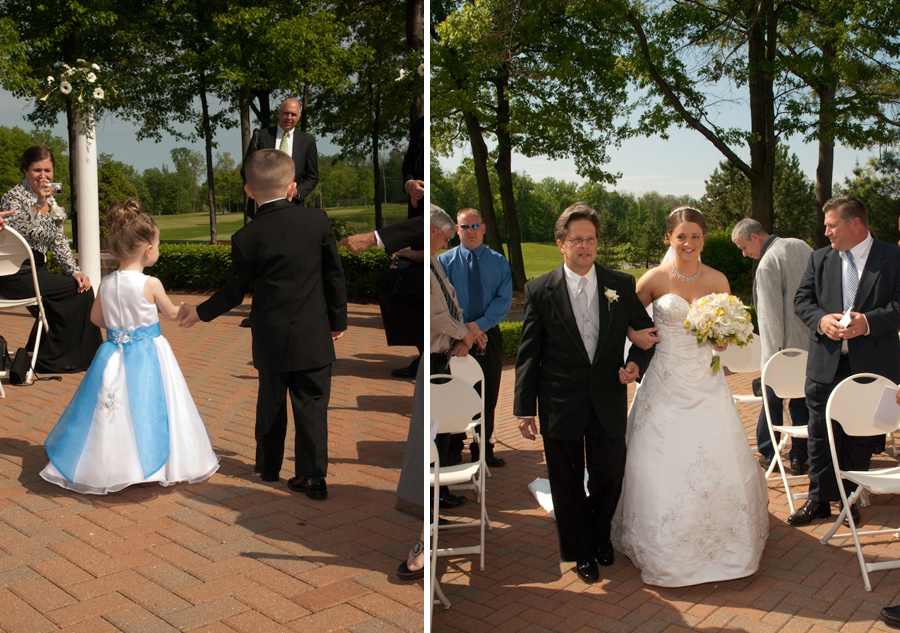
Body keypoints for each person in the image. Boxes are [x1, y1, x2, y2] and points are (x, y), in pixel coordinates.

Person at [611, 206, 768, 587]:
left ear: (704, 238)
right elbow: (624, 315)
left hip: (706, 380)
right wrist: (634, 340)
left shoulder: (717, 278)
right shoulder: (654, 278)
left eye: (695, 236)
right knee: (656, 457)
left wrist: (721, 337)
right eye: (681, 236)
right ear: (669, 238)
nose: (688, 243)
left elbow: (727, 336)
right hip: (664, 379)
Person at [181, 149, 347, 500]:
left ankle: (268, 467)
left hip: (271, 335)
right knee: (313, 405)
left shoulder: (247, 236)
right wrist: (338, 319)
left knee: (270, 401)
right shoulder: (317, 221)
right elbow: (334, 275)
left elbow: (233, 293)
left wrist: (199, 312)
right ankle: (313, 477)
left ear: (249, 190)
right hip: (314, 332)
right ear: (292, 187)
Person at [514, 202, 656, 584]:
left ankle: (599, 536)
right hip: (559, 401)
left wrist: (635, 365)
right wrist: (524, 408)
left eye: (590, 239)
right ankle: (580, 552)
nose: (585, 246)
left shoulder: (620, 285)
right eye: (576, 239)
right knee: (567, 480)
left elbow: (647, 337)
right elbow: (529, 353)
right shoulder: (540, 290)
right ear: (561, 243)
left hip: (608, 397)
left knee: (610, 474)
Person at [39, 199, 220, 494]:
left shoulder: (107, 282)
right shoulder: (150, 283)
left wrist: (117, 326)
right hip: (150, 353)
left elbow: (96, 318)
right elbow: (172, 314)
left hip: (113, 354)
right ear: (147, 250)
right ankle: (158, 462)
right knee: (150, 404)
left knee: (110, 408)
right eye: (157, 245)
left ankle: (108, 462)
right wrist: (186, 311)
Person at [789, 195, 900, 526]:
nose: (826, 232)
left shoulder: (893, 257)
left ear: (855, 224)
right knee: (821, 432)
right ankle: (819, 500)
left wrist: (868, 323)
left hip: (872, 365)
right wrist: (822, 321)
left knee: (859, 437)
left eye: (832, 224)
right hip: (825, 362)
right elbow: (802, 300)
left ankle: (850, 499)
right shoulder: (820, 258)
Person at [0, 146, 102, 373]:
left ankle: (66, 356)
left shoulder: (52, 202)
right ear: (25, 170)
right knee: (73, 294)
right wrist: (37, 203)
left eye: (48, 170)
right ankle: (50, 359)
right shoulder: (13, 197)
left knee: (82, 288)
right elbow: (18, 229)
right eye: (37, 170)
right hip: (14, 273)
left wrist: (75, 271)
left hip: (38, 271)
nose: (43, 176)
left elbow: (58, 241)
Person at [732, 218, 813, 475]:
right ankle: (801, 456)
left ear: (755, 236)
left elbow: (769, 320)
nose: (745, 254)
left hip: (783, 351)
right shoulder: (802, 246)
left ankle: (769, 453)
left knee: (772, 400)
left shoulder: (767, 264)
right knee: (801, 403)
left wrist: (769, 362)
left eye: (744, 247)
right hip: (812, 345)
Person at [438, 208, 512, 467]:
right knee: (456, 393)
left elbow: (503, 301)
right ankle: (453, 449)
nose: (470, 231)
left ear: (483, 228)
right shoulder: (443, 262)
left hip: (488, 336)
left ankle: (483, 448)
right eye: (464, 227)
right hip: (454, 339)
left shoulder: (499, 262)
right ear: (457, 230)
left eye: (475, 226)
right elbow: (442, 304)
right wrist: (464, 333)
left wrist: (478, 328)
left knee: (487, 393)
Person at [431, 204, 475, 509]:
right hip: (435, 355)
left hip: (445, 354)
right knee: (437, 430)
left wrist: (464, 335)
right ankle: (436, 495)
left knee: (444, 430)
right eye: (446, 237)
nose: (448, 243)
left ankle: (440, 492)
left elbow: (451, 304)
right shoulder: (430, 263)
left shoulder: (431, 261)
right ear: (432, 231)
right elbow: (437, 316)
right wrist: (464, 334)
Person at [242, 98, 320, 211]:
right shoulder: (260, 136)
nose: (289, 117)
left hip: (293, 205)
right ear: (279, 112)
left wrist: (296, 192)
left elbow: (312, 177)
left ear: (299, 116)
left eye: (293, 114)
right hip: (263, 206)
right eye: (286, 113)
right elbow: (246, 170)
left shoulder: (308, 142)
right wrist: (261, 191)